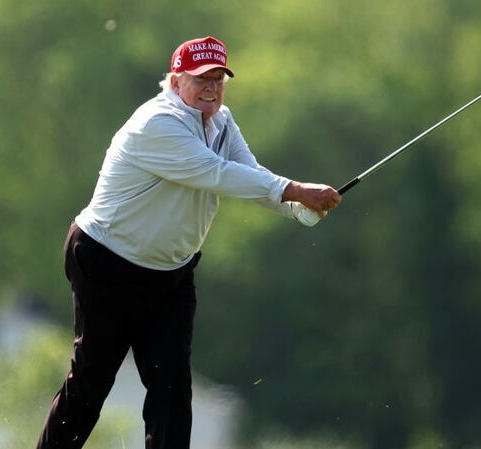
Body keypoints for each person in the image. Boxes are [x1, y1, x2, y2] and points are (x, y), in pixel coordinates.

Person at [36, 36, 342, 449]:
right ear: (177, 81)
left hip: (171, 274)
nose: (212, 88)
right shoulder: (157, 124)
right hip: (107, 262)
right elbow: (217, 174)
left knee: (172, 390)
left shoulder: (221, 122)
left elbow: (248, 173)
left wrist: (299, 209)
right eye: (201, 79)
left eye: (219, 78)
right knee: (92, 383)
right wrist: (297, 190)